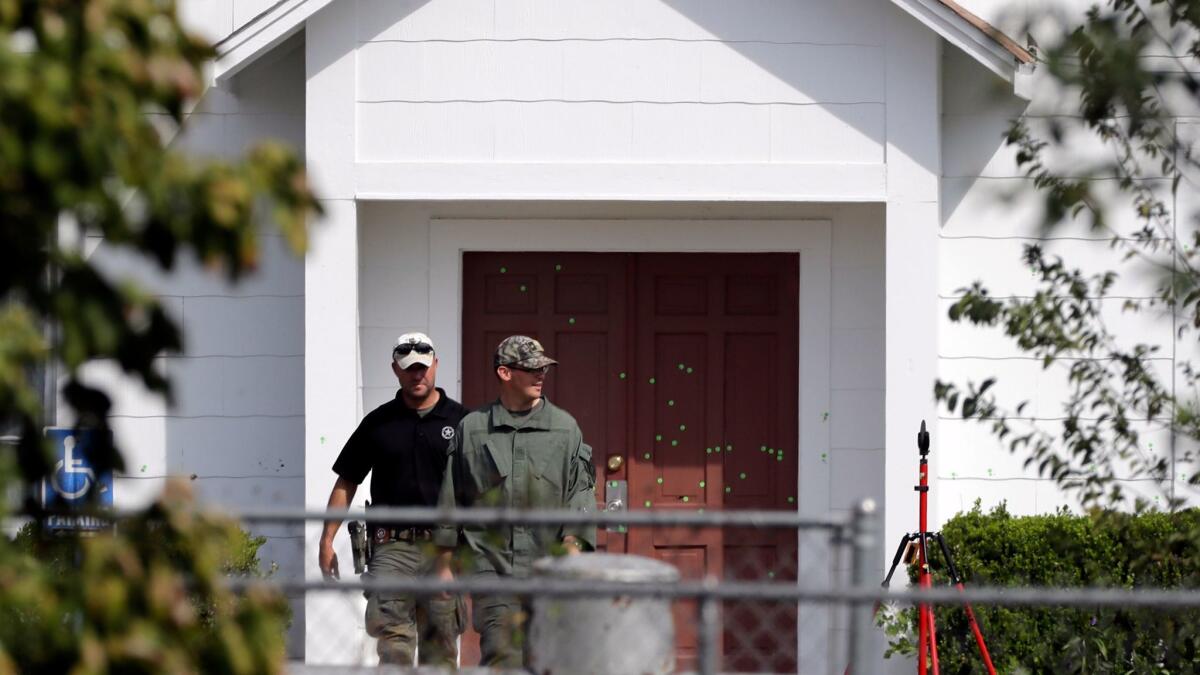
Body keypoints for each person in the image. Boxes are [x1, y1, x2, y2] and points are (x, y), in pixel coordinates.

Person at [434, 335, 597, 668]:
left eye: (544, 369)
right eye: (531, 369)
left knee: (548, 658)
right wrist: (444, 564)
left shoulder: (565, 429)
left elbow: (580, 492)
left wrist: (572, 543)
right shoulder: (473, 429)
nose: (541, 376)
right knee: (502, 654)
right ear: (505, 373)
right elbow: (451, 499)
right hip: (491, 568)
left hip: (549, 568)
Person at [318, 332, 467, 667]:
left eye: (423, 367)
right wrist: (327, 540)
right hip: (390, 549)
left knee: (441, 648)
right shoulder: (378, 422)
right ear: (395, 370)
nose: (417, 375)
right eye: (409, 368)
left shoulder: (463, 422)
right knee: (393, 646)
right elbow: (347, 481)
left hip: (443, 549)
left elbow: (481, 489)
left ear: (436, 366)